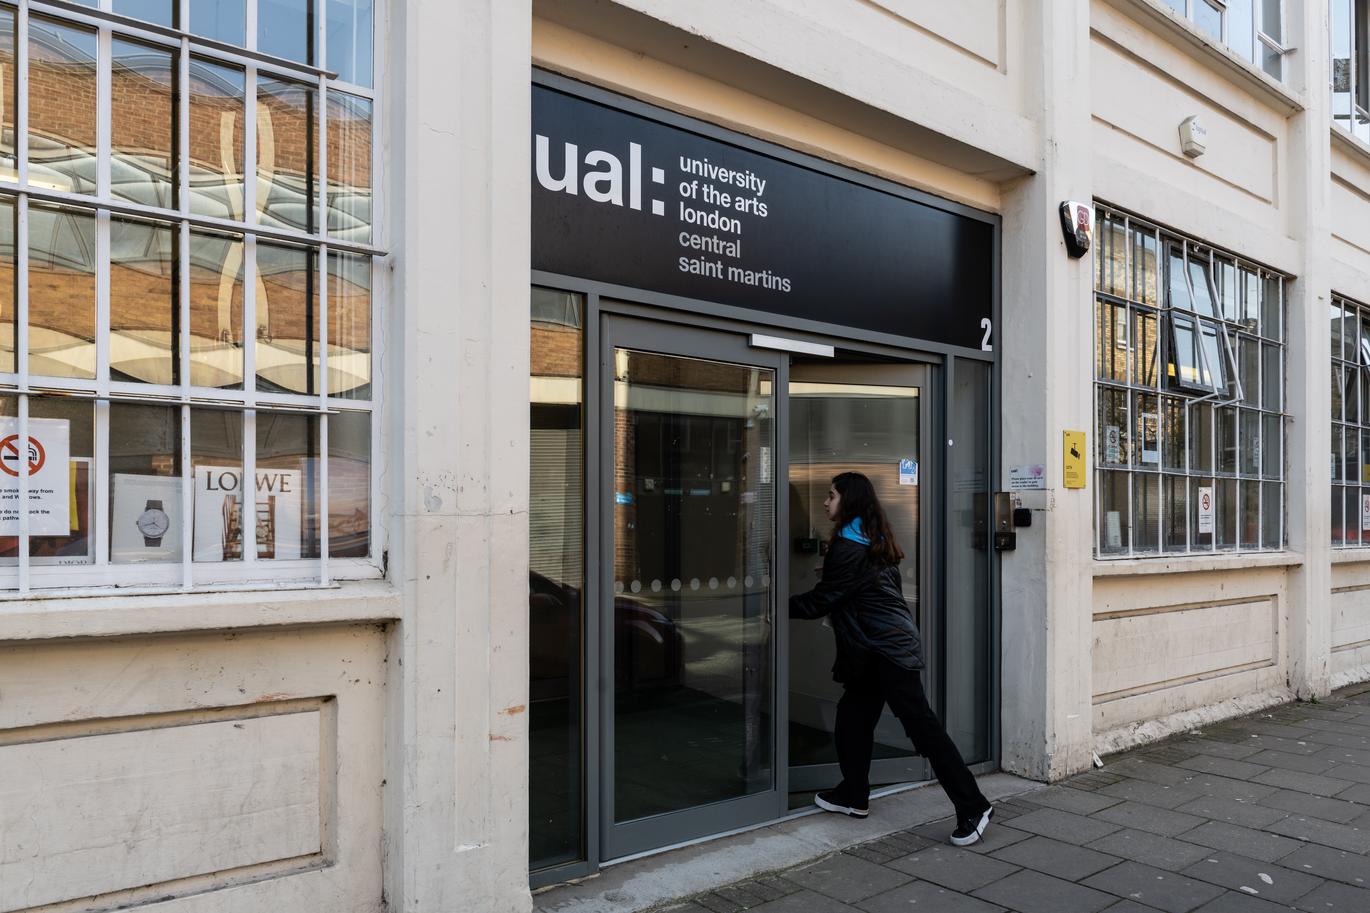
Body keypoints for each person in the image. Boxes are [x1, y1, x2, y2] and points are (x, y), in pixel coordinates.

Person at [790, 471, 993, 846]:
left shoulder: (848, 546)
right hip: (877, 649)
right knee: (852, 720)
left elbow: (822, 599)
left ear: (847, 501)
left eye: (831, 495)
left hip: (887, 651)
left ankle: (973, 805)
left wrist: (776, 604)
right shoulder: (867, 537)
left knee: (922, 729)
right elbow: (856, 590)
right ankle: (853, 795)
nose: (824, 502)